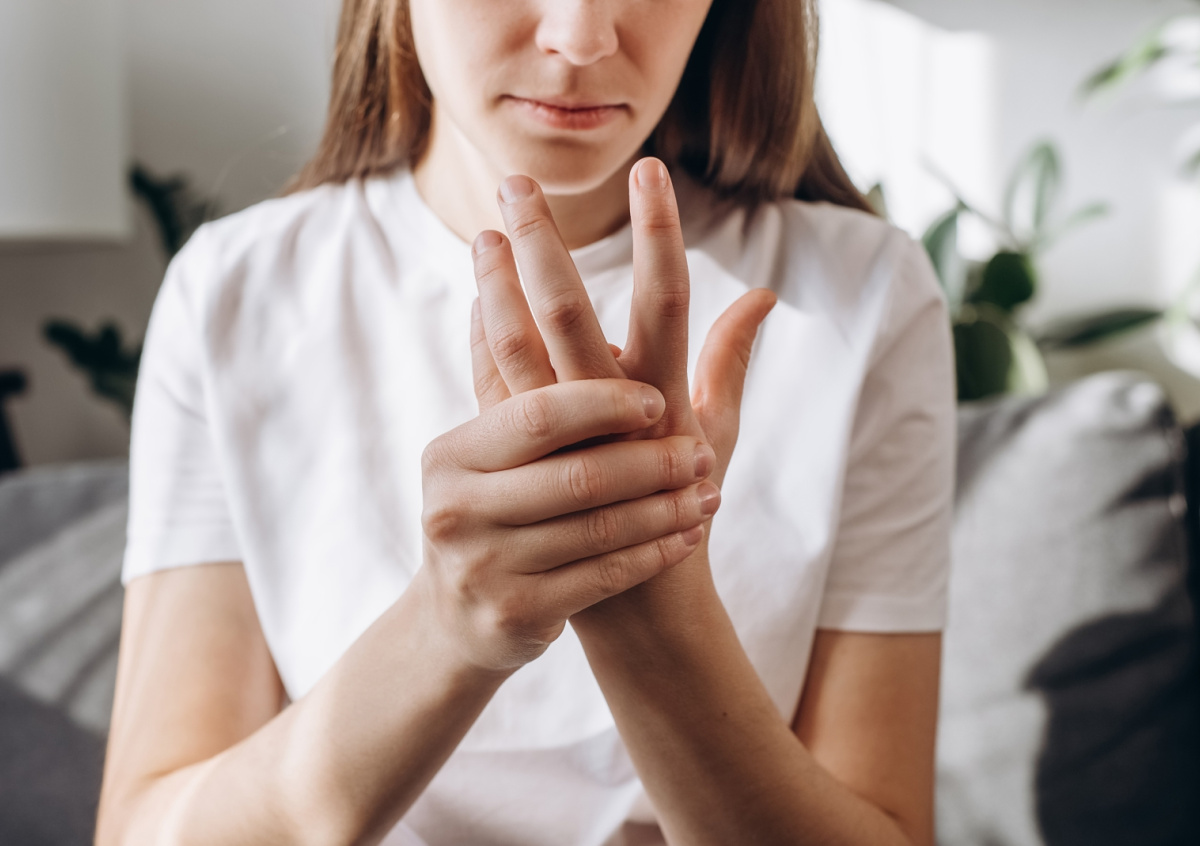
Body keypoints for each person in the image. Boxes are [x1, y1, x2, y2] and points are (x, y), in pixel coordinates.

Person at [95, 0, 955, 844]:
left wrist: (655, 617)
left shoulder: (862, 296)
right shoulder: (233, 294)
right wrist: (449, 625)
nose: (581, 38)